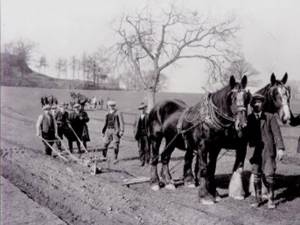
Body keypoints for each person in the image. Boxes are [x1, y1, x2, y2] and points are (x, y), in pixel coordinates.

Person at [247, 93, 285, 209]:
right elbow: (244, 135)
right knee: (256, 175)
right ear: (252, 104)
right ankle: (257, 199)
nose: (257, 104)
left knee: (269, 175)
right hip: (254, 152)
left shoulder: (270, 117)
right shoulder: (248, 118)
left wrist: (280, 148)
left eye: (259, 102)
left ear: (263, 104)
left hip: (268, 151)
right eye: (255, 102)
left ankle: (270, 200)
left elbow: (277, 133)